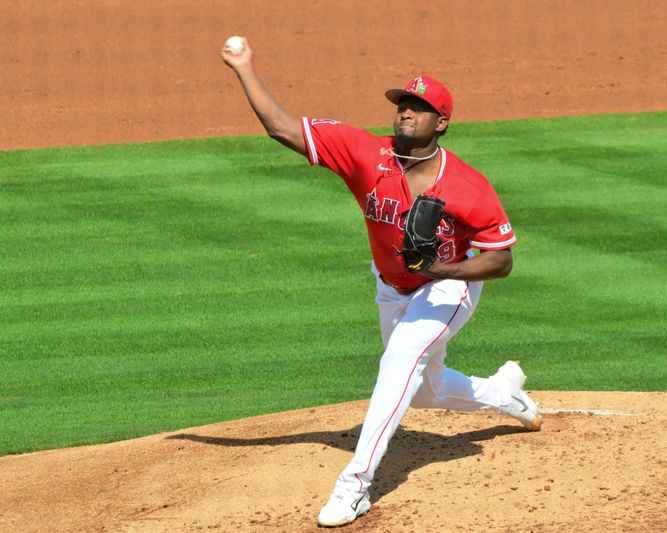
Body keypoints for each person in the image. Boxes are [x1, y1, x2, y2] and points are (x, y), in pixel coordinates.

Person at [221, 37, 542, 528]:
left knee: (399, 360)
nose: (406, 113)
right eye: (403, 105)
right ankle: (503, 394)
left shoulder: (467, 185)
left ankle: (354, 487)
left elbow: (501, 260)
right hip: (392, 286)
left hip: (447, 288)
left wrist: (446, 271)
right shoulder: (364, 153)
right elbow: (282, 127)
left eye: (420, 107)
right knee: (426, 390)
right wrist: (243, 67)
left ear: (442, 123)